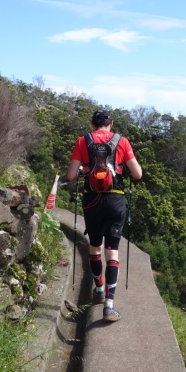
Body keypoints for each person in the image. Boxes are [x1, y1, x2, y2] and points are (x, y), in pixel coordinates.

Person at [67, 109, 142, 321]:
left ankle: (99, 290)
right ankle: (109, 306)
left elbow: (71, 176)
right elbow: (137, 174)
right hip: (115, 201)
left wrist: (83, 169)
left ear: (92, 124)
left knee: (95, 247)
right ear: (111, 124)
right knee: (112, 252)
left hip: (92, 201)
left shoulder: (82, 141)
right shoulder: (122, 141)